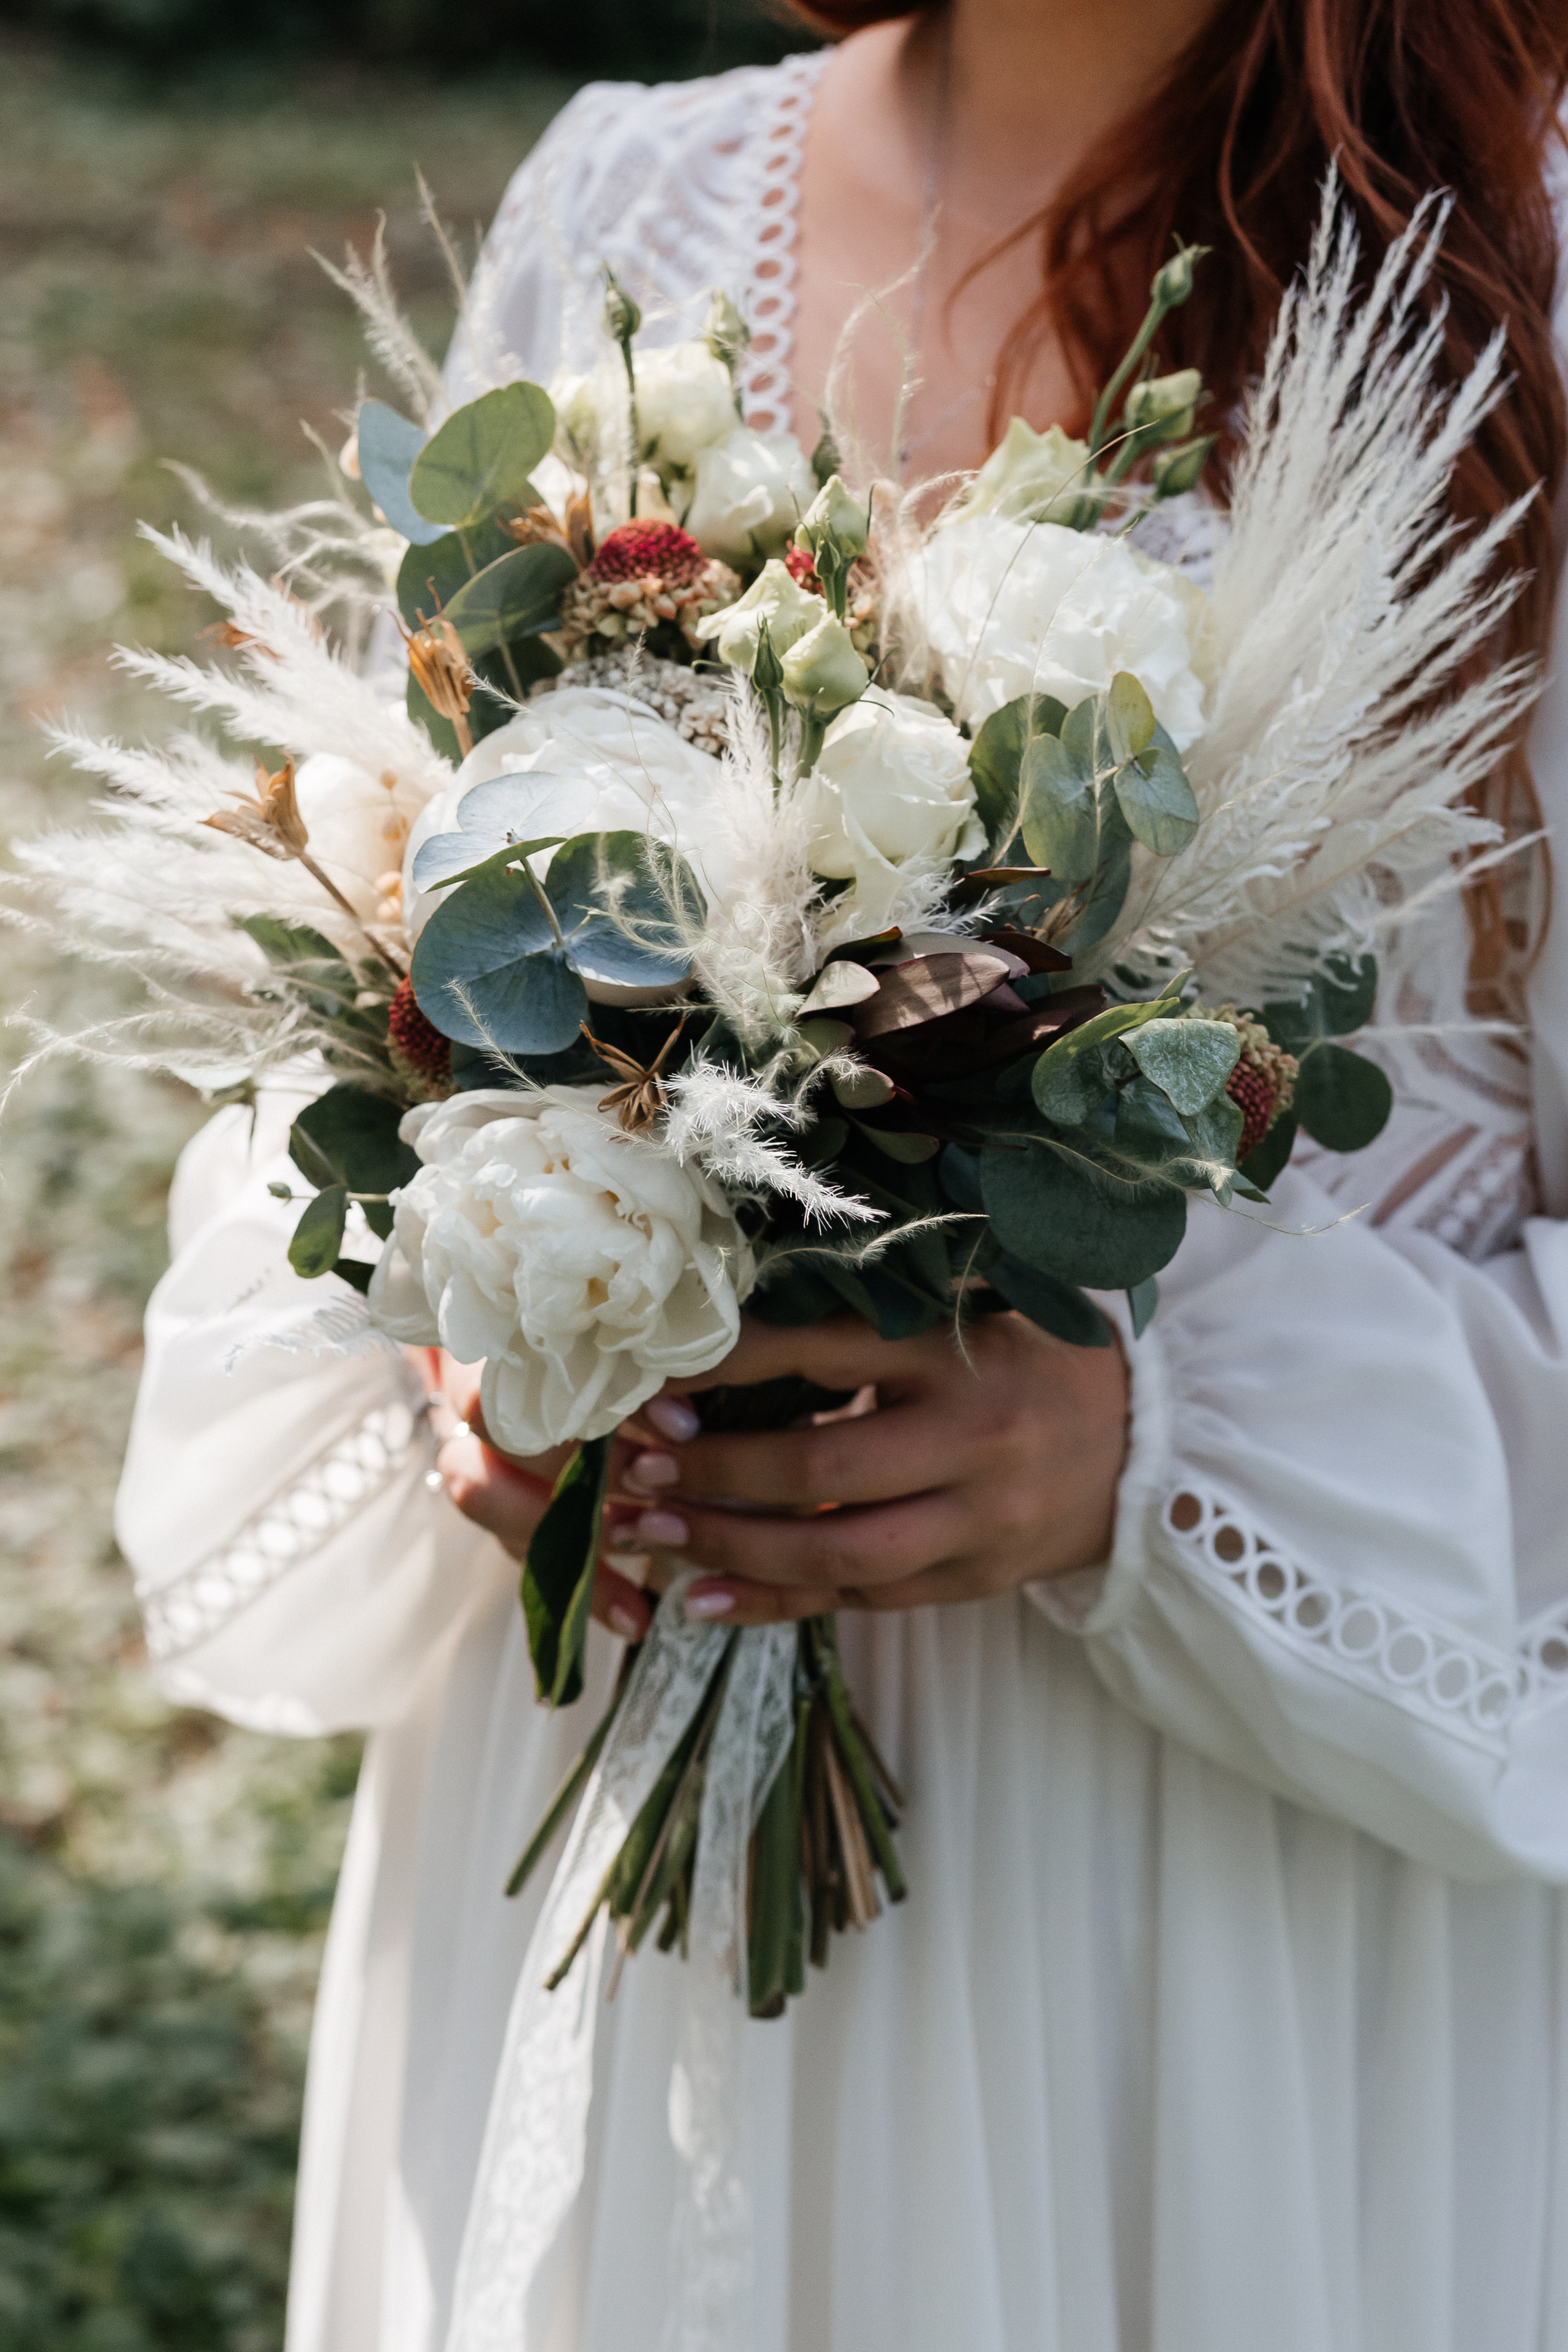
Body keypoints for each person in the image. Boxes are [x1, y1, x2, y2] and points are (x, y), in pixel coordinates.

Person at [115, 2, 1568, 2346]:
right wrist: (485, 1295)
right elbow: (411, 891)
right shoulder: (629, 199)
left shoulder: (1534, 273)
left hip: (1228, 1918)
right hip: (621, 1766)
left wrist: (1167, 1458)